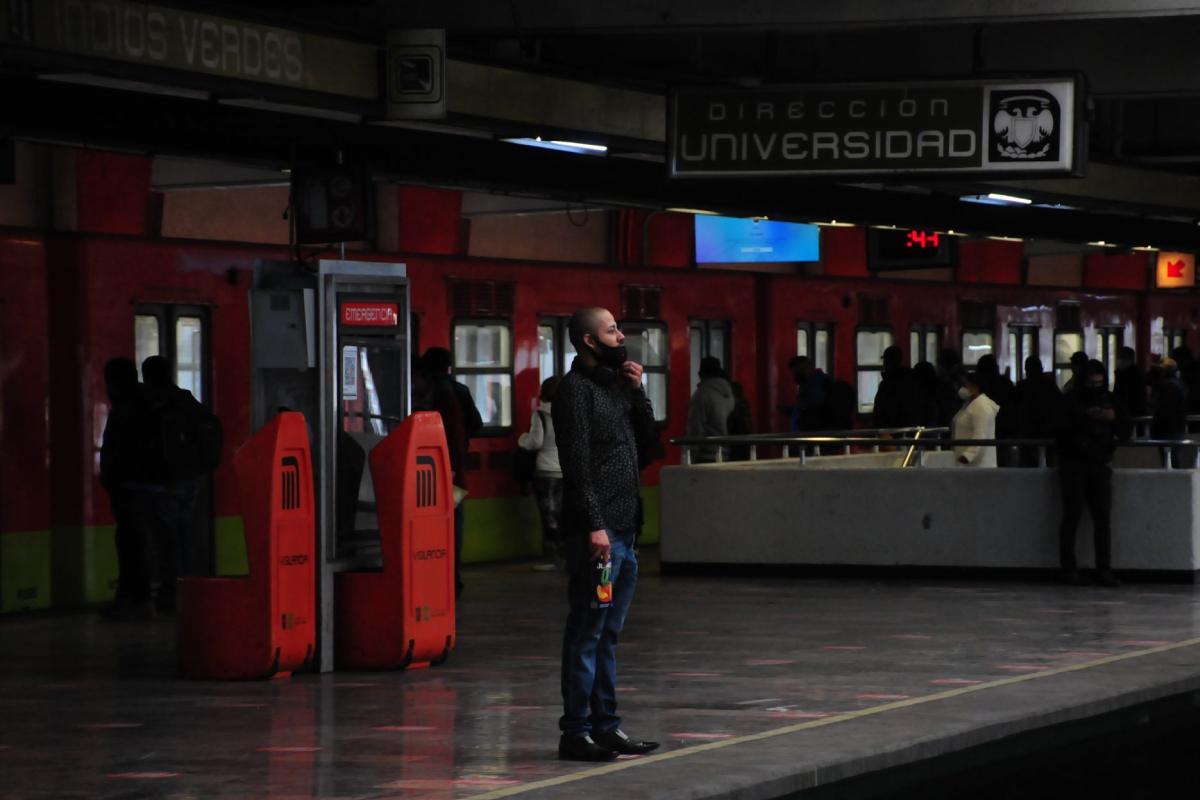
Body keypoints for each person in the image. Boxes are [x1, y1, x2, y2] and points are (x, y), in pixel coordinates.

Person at [553, 307, 660, 762]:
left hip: (625, 531)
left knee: (608, 633)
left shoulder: (616, 387)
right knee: (587, 631)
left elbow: (649, 448)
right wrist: (595, 525)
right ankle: (576, 732)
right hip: (598, 535)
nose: (621, 337)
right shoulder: (574, 391)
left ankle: (606, 726)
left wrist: (638, 393)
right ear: (589, 341)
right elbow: (576, 464)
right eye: (612, 331)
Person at [134, 355, 223, 613]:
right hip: (190, 480)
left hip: (163, 483)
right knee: (184, 535)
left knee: (165, 540)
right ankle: (187, 588)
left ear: (147, 376)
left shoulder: (152, 404)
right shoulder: (186, 400)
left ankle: (171, 591)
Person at [1057, 359, 1130, 587]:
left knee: (1101, 518)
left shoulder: (1110, 401)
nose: (1095, 388)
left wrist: (1114, 418)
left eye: (1099, 383)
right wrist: (1085, 417)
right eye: (1091, 383)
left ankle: (1102, 569)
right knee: (1073, 515)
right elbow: (1060, 431)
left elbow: (1126, 430)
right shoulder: (1070, 401)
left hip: (1099, 464)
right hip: (1075, 465)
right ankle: (1070, 569)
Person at [99, 358, 155, 620]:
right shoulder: (149, 401)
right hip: (150, 484)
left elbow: (118, 449)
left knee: (131, 543)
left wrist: (111, 477)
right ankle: (145, 597)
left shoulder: (126, 408)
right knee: (140, 541)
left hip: (131, 485)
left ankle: (136, 599)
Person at [421, 348, 473, 597]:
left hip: (432, 470)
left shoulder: (428, 392)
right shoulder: (459, 390)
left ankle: (435, 574)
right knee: (454, 523)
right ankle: (453, 576)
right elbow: (476, 424)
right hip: (455, 467)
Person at [518, 376, 565, 570]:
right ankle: (564, 556)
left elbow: (535, 442)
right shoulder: (570, 412)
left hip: (546, 471)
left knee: (548, 516)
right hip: (565, 471)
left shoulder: (540, 414)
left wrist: (522, 438)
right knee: (561, 513)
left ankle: (552, 558)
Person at [686, 356, 735, 463]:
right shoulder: (729, 394)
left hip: (706, 455)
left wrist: (692, 454)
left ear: (700, 374)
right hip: (726, 453)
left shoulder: (701, 395)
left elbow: (696, 428)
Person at [1015, 356, 1062, 467]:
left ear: (1026, 370)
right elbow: (1060, 404)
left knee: (1027, 463)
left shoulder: (1022, 386)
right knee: (1051, 463)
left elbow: (1016, 407)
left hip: (1027, 431)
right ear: (1041, 368)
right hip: (1049, 430)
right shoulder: (1050, 385)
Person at [951, 370, 999, 467]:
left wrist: (967, 456)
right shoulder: (969, 404)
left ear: (975, 386)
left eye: (965, 385)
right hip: (967, 465)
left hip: (978, 465)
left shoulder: (982, 406)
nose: (962, 389)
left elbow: (980, 434)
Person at [1150, 357, 1191, 468]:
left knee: (1168, 461)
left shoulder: (1168, 386)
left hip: (1167, 430)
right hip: (1176, 428)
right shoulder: (1178, 384)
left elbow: (1163, 410)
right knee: (1175, 459)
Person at [872, 345, 916, 430]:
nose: (884, 364)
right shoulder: (911, 380)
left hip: (890, 429)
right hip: (908, 428)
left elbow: (880, 409)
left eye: (886, 361)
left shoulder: (887, 383)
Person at [786, 355, 829, 432]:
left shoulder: (814, 385)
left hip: (812, 435)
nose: (795, 376)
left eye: (797, 372)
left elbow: (813, 410)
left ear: (808, 368)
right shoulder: (813, 383)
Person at [1112, 346, 1146, 419]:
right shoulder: (1120, 374)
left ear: (1130, 360)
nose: (1119, 361)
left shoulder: (1135, 376)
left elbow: (1135, 398)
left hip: (1131, 414)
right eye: (1118, 358)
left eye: (1123, 358)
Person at [726, 381, 755, 461]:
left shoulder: (735, 406)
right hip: (745, 442)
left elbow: (731, 426)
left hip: (736, 444)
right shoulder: (744, 404)